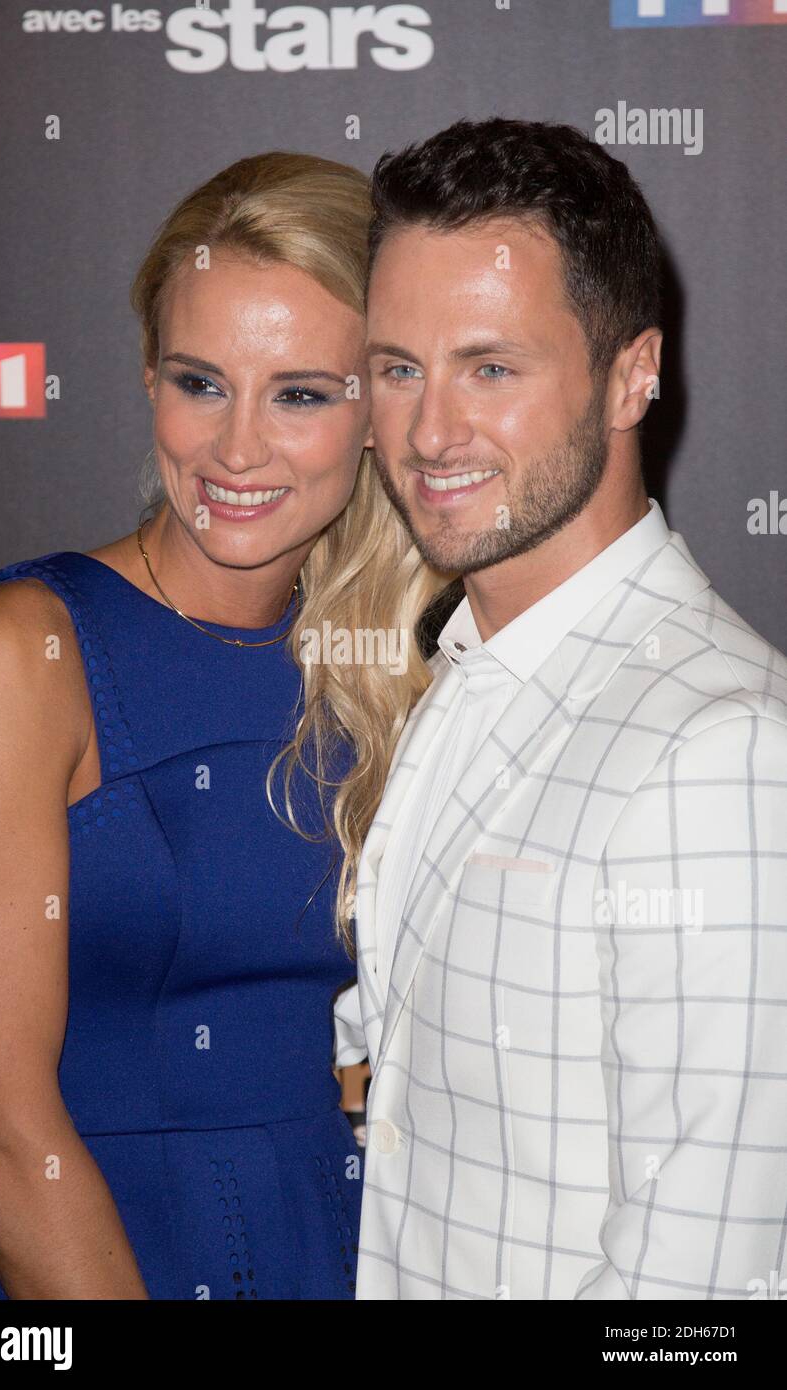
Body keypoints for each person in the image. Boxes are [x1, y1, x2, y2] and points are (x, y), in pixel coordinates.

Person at [0, 151, 446, 1299]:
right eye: (199, 381)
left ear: (377, 409)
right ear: (148, 376)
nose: (237, 449)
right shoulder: (25, 649)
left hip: (336, 1249)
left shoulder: (400, 674)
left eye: (301, 392)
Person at [334, 116, 787, 1300]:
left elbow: (696, 1294)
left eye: (489, 367)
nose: (428, 433)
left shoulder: (716, 750)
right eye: (396, 369)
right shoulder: (471, 669)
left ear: (631, 374)